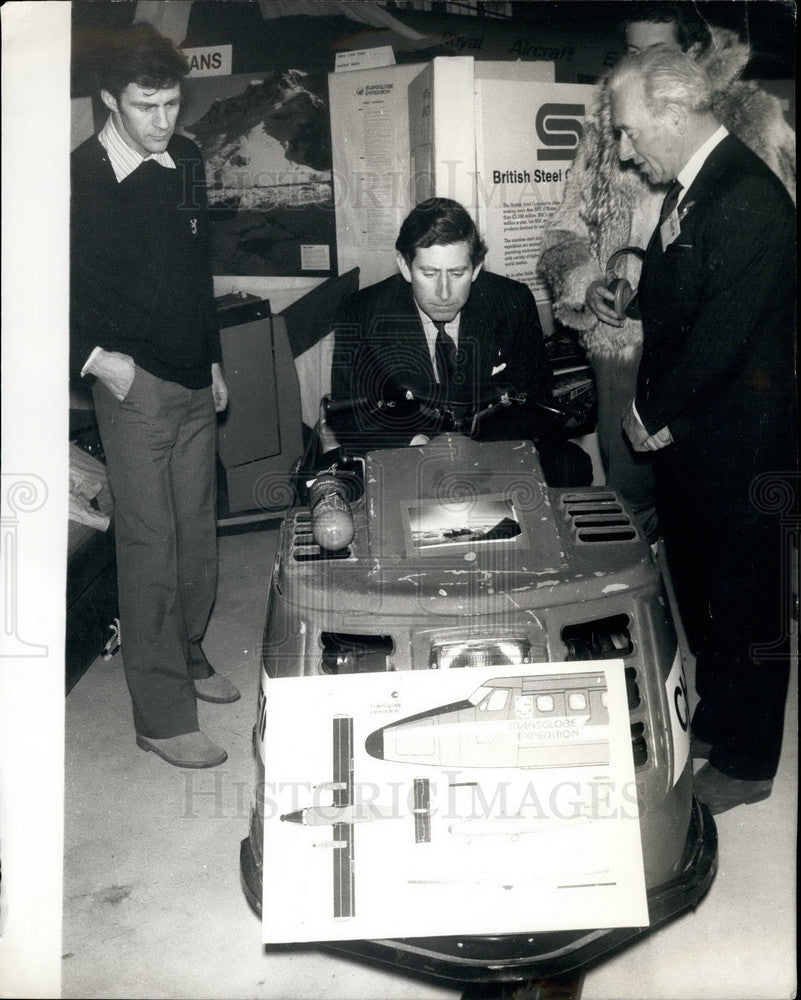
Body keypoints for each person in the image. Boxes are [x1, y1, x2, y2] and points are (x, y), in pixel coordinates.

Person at [609, 45, 796, 814]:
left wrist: (650, 413)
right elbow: (687, 291)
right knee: (705, 593)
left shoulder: (747, 195)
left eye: (628, 130)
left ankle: (748, 764)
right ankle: (718, 720)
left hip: (741, 443)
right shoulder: (695, 185)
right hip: (696, 437)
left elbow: (723, 334)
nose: (625, 150)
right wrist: (630, 290)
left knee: (749, 603)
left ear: (673, 113)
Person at [538, 2, 795, 543]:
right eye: (631, 51)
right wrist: (590, 282)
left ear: (692, 55)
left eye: (656, 51)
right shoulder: (609, 129)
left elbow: (762, 271)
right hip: (625, 345)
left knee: (710, 509)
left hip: (714, 362)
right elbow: (563, 234)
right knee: (632, 498)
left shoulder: (752, 125)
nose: (640, 62)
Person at [71, 23, 239, 770]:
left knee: (197, 534)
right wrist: (100, 363)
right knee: (149, 546)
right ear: (111, 98)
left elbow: (197, 271)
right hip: (131, 384)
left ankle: (188, 652)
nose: (164, 120)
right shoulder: (80, 178)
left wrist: (213, 358)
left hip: (193, 376)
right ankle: (162, 717)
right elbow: (39, 287)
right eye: (147, 105)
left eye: (172, 103)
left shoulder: (189, 158)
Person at [330, 198, 592, 488]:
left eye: (457, 273)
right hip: (408, 452)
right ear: (405, 266)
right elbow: (348, 416)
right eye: (429, 273)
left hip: (491, 447)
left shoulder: (512, 301)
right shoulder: (361, 312)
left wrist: (471, 452)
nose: (444, 293)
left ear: (476, 268)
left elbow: (535, 399)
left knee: (569, 464)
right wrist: (418, 445)